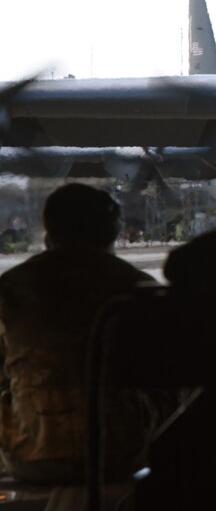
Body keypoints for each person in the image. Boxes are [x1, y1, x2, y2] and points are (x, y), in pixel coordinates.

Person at [0, 183, 168, 485]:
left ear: (49, 231)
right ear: (111, 232)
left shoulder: (10, 287)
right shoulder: (139, 287)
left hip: (28, 457)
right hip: (121, 456)